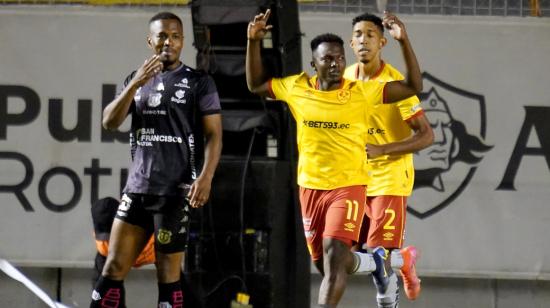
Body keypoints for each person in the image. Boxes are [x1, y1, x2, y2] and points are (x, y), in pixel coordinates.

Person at [246, 9, 422, 308]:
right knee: (326, 264)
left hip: (351, 185)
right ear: (313, 64)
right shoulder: (297, 87)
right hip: (311, 187)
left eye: (339, 58)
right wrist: (252, 42)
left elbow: (413, 87)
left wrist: (404, 41)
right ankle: (375, 264)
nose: (335, 64)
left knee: (335, 256)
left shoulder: (361, 92)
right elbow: (255, 85)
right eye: (327, 59)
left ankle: (379, 267)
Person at [90, 12, 222, 308]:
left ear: (183, 41)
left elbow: (214, 135)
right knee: (111, 269)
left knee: (168, 278)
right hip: (137, 189)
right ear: (150, 41)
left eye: (175, 36)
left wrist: (206, 177)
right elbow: (109, 121)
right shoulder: (135, 82)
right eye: (162, 36)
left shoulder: (199, 83)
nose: (168, 42)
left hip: (175, 194)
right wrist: (136, 82)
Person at [346, 12, 434, 306]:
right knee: (350, 257)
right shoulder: (344, 79)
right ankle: (405, 259)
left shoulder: (396, 84)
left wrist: (382, 150)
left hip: (389, 177)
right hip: (355, 178)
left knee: (376, 254)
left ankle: (388, 297)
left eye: (370, 35)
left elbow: (426, 136)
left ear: (382, 42)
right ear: (350, 42)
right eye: (358, 34)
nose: (363, 40)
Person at [91, 197, 155, 284]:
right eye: (105, 236)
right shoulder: (103, 246)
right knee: (103, 287)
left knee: (171, 278)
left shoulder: (149, 226)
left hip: (153, 250)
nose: (109, 240)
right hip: (115, 256)